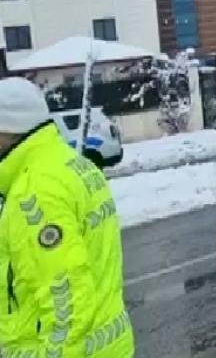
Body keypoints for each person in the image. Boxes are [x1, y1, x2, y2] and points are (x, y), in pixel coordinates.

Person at [0, 78, 133, 357]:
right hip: (108, 343)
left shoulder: (34, 192)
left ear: (7, 130)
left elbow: (67, 299)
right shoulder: (73, 164)